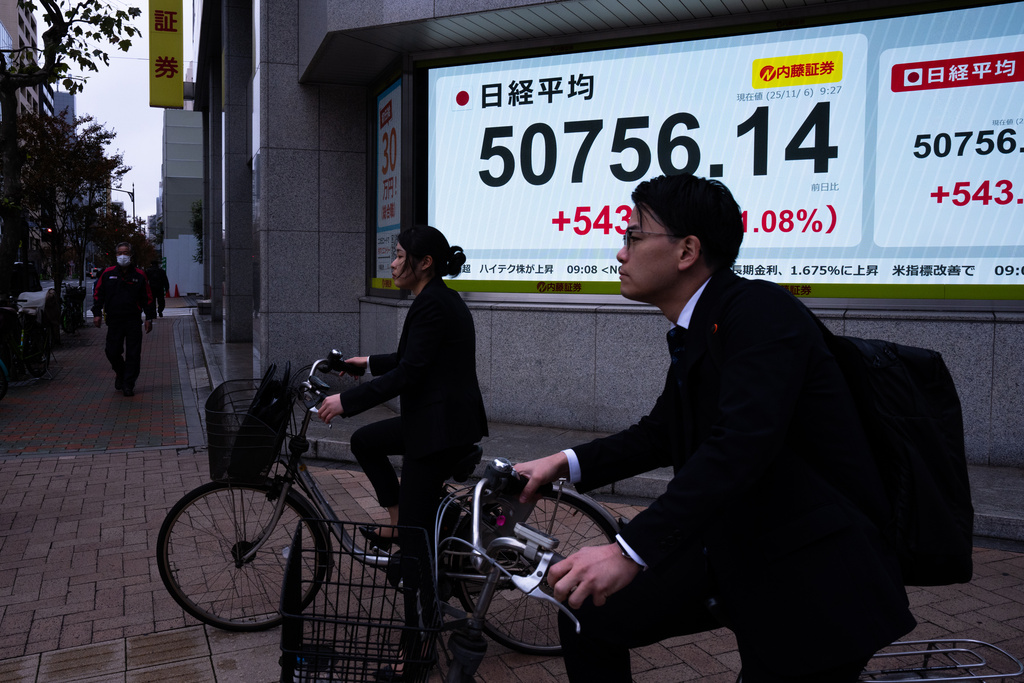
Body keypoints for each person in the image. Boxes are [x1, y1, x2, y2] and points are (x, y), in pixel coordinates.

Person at [515, 174, 915, 683]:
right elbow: (661, 432)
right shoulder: (704, 324)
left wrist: (628, 551)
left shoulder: (761, 314)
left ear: (687, 250)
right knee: (588, 612)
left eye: (634, 237)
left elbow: (740, 446)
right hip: (739, 545)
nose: (620, 252)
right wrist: (563, 464)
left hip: (814, 572)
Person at [317, 224, 488, 546]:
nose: (393, 264)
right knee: (366, 441)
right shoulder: (438, 298)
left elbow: (410, 372)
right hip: (442, 420)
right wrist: (366, 363)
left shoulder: (432, 303)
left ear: (424, 262)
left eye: (398, 256)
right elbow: (414, 357)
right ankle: (398, 520)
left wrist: (347, 401)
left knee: (414, 540)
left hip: (439, 430)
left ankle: (418, 581)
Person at [92, 242, 155, 397]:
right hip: (114, 320)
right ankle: (121, 373)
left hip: (133, 320)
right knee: (112, 351)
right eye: (120, 253)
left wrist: (149, 318)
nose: (123, 256)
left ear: (131, 255)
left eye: (125, 252)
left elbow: (147, 298)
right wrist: (97, 313)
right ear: (116, 255)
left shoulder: (139, 275)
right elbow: (98, 293)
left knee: (133, 354)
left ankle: (128, 384)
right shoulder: (107, 274)